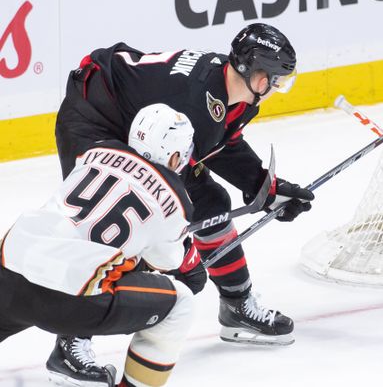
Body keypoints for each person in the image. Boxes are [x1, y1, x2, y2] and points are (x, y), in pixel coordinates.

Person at [54, 22, 314, 356]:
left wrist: (268, 189)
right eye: (277, 80)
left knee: (211, 200)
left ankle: (237, 306)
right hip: (95, 117)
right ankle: (72, 338)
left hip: (142, 123)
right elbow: (171, 195)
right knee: (110, 225)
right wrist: (180, 250)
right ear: (259, 75)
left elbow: (223, 145)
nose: (277, 87)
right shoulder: (195, 105)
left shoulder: (233, 95)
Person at [0, 104, 197, 387]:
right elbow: (166, 262)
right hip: (71, 299)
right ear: (175, 154)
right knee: (181, 303)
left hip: (10, 268)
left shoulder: (96, 151)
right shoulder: (176, 199)